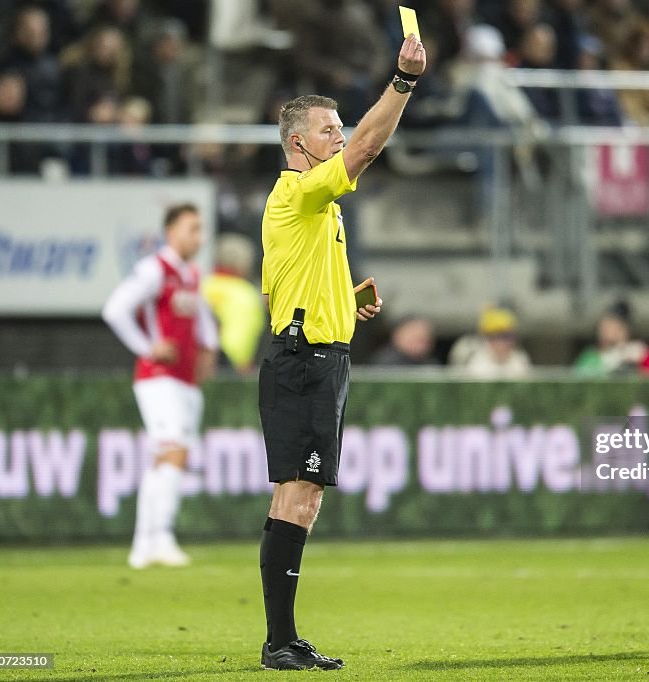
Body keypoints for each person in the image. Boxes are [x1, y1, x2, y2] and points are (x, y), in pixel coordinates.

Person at [256, 33, 426, 671]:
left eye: (338, 126)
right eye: (328, 129)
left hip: (313, 354)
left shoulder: (308, 208)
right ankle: (280, 642)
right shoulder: (300, 192)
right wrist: (403, 82)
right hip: (305, 363)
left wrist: (343, 303)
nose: (340, 135)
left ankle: (282, 639)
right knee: (300, 496)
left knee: (296, 497)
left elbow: (282, 285)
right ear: (300, 144)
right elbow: (367, 149)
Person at [102, 204, 218, 569]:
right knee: (174, 451)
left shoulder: (190, 274)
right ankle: (162, 537)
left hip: (184, 379)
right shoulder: (155, 269)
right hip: (159, 377)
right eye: (191, 229)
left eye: (200, 230)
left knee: (164, 458)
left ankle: (143, 544)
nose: (197, 237)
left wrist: (209, 348)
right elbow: (115, 309)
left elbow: (200, 319)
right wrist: (146, 347)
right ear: (171, 232)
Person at [202, 233, 267, 375]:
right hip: (229, 368)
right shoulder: (247, 295)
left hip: (198, 362)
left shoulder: (202, 285)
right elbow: (242, 339)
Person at [449, 306, 532, 378]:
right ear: (489, 338)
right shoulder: (476, 363)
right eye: (500, 337)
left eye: (509, 336)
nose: (506, 342)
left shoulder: (520, 361)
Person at [370, 315, 439, 366]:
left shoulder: (431, 364)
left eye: (424, 340)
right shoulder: (384, 363)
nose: (420, 343)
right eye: (415, 338)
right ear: (397, 336)